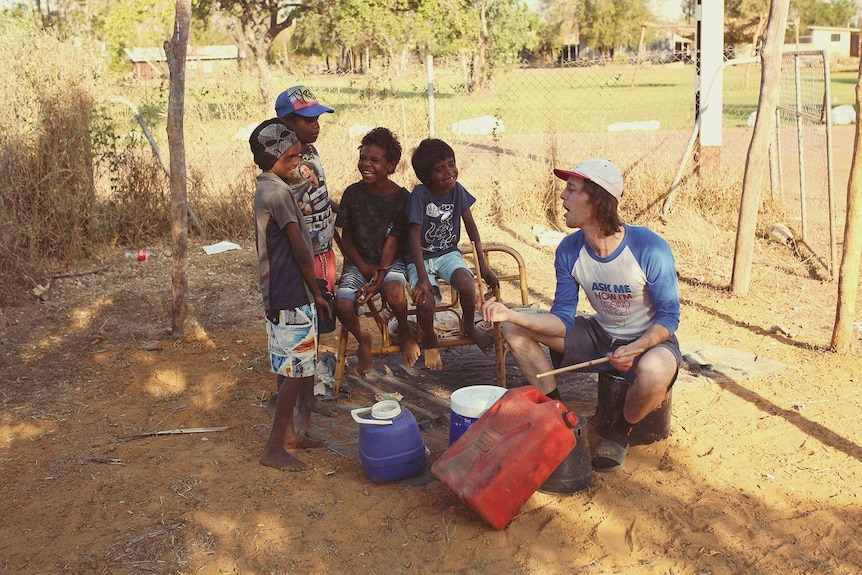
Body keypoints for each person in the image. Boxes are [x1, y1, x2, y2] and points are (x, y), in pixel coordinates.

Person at [480, 159, 681, 473]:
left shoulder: (649, 248)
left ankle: (620, 431)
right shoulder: (569, 250)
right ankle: (557, 415)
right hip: (599, 335)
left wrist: (637, 348)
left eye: (571, 190)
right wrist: (512, 315)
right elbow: (562, 318)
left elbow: (668, 318)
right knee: (513, 330)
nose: (562, 197)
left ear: (598, 200)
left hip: (648, 341)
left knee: (655, 372)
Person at [249, 118, 333, 471]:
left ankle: (291, 436)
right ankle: (274, 446)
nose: (298, 165)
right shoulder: (279, 193)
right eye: (292, 159)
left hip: (279, 290)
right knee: (296, 372)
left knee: (292, 364)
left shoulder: (268, 186)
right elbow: (300, 247)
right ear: (277, 158)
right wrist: (316, 291)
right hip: (291, 291)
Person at [274, 84, 339, 421]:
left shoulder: (310, 153)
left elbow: (317, 198)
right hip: (304, 256)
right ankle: (290, 396)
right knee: (300, 328)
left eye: (318, 118)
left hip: (324, 249)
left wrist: (339, 209)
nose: (316, 124)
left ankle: (308, 395)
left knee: (316, 327)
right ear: (286, 121)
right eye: (308, 119)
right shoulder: (285, 165)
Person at [407, 138, 499, 371]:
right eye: (440, 169)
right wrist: (423, 278)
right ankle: (429, 338)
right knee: (425, 301)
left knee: (466, 283)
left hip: (448, 253)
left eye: (451, 164)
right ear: (426, 177)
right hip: (420, 258)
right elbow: (413, 238)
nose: (449, 172)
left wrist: (483, 265)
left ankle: (468, 325)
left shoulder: (457, 191)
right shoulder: (420, 195)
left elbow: (471, 228)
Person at [334, 127, 420, 374]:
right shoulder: (352, 193)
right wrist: (363, 267)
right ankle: (363, 338)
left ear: (391, 166)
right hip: (358, 262)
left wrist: (379, 275)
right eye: (362, 158)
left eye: (374, 160)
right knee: (343, 304)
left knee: (394, 291)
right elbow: (346, 237)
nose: (365, 164)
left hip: (389, 261)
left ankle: (404, 329)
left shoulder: (401, 198)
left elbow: (393, 241)